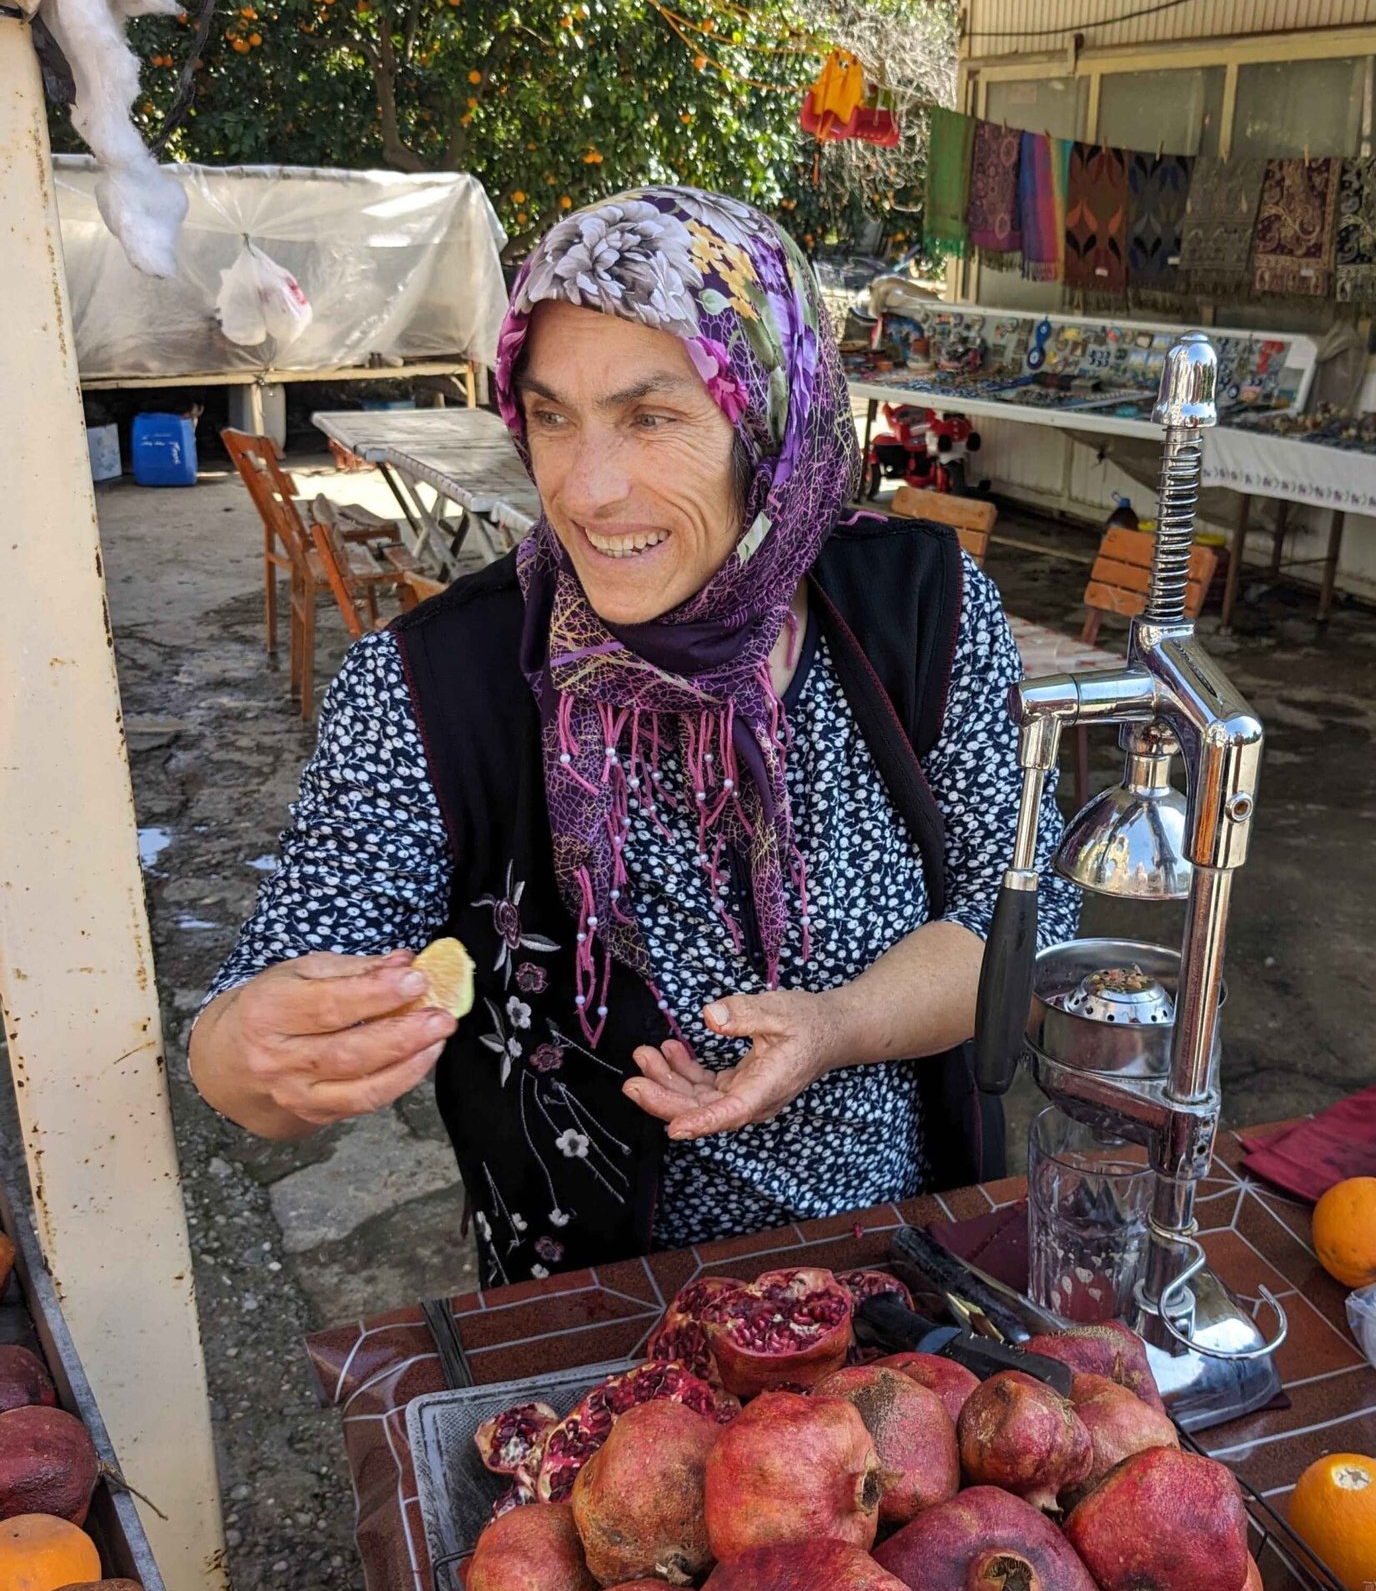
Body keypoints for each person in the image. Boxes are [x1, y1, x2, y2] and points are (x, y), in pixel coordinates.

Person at [190, 188, 1078, 1285]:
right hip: (590, 1312)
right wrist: (250, 1050)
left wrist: (838, 1027)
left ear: (770, 420)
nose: (585, 488)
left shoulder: (921, 608)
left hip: (898, 1263)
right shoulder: (429, 685)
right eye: (551, 416)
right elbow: (277, 1006)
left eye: (651, 417)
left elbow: (1018, 914)